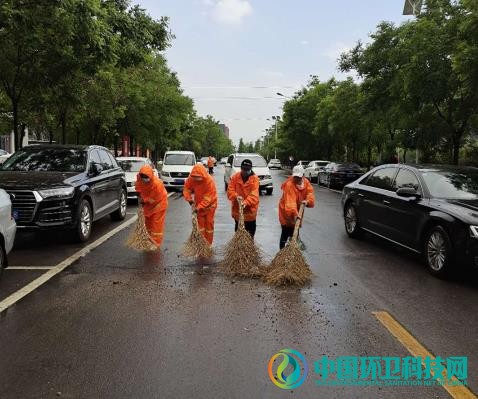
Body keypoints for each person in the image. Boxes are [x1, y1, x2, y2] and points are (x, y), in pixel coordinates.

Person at [278, 166, 315, 249]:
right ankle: (281, 253)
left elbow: (310, 194)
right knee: (285, 232)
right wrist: (294, 214)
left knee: (295, 233)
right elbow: (290, 202)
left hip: (297, 211)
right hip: (286, 211)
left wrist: (308, 201)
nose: (296, 179)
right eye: (295, 177)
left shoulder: (306, 183)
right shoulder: (289, 185)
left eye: (299, 177)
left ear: (303, 176)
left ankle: (293, 254)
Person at [183, 163, 218, 245]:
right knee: (200, 225)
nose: (197, 179)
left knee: (209, 225)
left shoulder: (209, 181)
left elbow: (208, 199)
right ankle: (201, 244)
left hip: (210, 206)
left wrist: (198, 207)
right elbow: (186, 189)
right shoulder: (192, 178)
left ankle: (208, 244)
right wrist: (189, 199)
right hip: (198, 205)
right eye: (195, 177)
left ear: (202, 175)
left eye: (198, 177)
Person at [135, 165, 169, 247]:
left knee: (156, 224)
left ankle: (156, 244)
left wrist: (144, 200)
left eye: (146, 177)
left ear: (151, 175)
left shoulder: (157, 184)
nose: (144, 178)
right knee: (148, 222)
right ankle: (149, 240)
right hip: (148, 204)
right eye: (142, 176)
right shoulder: (139, 178)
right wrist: (139, 194)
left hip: (159, 204)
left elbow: (155, 199)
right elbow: (138, 186)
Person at [227, 159, 260, 238]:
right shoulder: (235, 177)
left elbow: (254, 195)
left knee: (250, 235)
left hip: (250, 213)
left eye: (247, 170)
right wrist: (236, 196)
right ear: (241, 168)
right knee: (238, 234)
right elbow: (230, 190)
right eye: (243, 169)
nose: (245, 171)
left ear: (250, 169)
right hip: (238, 211)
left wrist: (245, 202)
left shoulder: (255, 179)